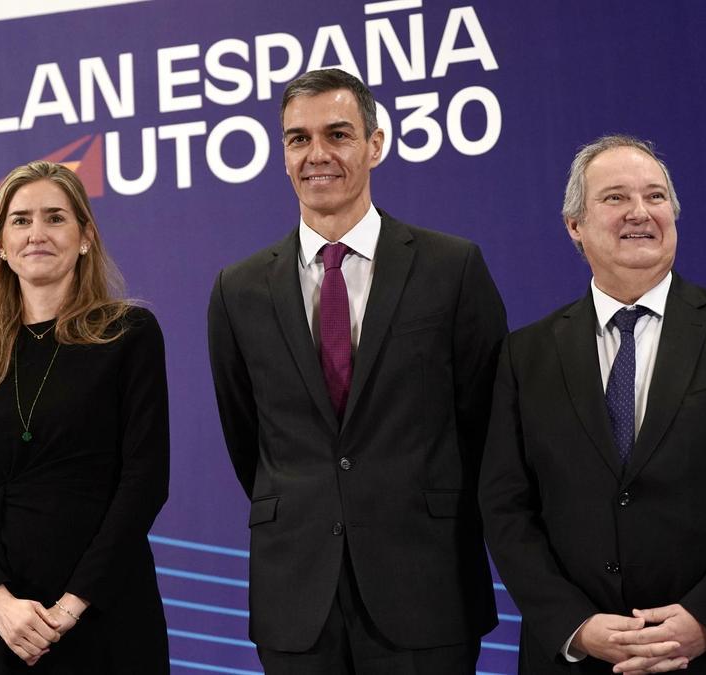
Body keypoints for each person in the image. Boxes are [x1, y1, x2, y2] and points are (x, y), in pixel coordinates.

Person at [479, 135, 706, 674]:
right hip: (582, 659)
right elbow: (505, 506)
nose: (640, 212)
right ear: (575, 226)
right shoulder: (526, 354)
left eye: (656, 197)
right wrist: (575, 625)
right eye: (615, 198)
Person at [207, 68, 506, 673]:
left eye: (337, 134)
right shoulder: (238, 289)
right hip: (297, 599)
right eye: (298, 139)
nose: (317, 155)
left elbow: (489, 426)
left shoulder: (451, 267)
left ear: (375, 144)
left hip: (426, 588)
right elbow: (249, 437)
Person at [0, 161, 169, 673]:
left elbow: (145, 481)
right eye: (20, 220)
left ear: (85, 236)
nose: (36, 233)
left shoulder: (128, 334)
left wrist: (72, 606)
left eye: (54, 218)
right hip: (4, 619)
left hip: (106, 608)